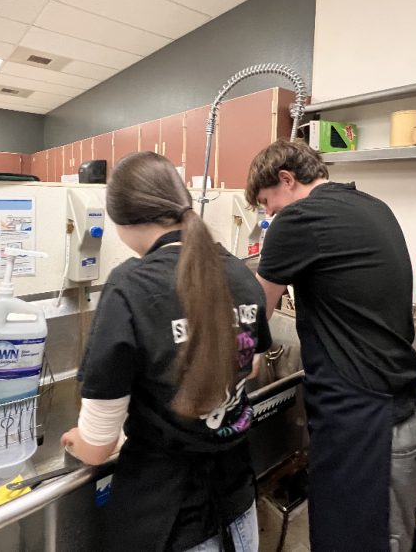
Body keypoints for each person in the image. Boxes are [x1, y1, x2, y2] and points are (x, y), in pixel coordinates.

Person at [61, 152, 272, 552]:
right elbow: (254, 366)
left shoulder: (130, 287)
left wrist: (75, 441)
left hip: (169, 519)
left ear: (120, 221)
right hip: (238, 506)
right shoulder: (238, 273)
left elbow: (99, 444)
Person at [246, 139, 416, 552]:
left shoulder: (297, 221)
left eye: (266, 201)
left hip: (365, 431)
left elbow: (256, 315)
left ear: (287, 179)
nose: (267, 213)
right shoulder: (373, 206)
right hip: (403, 415)